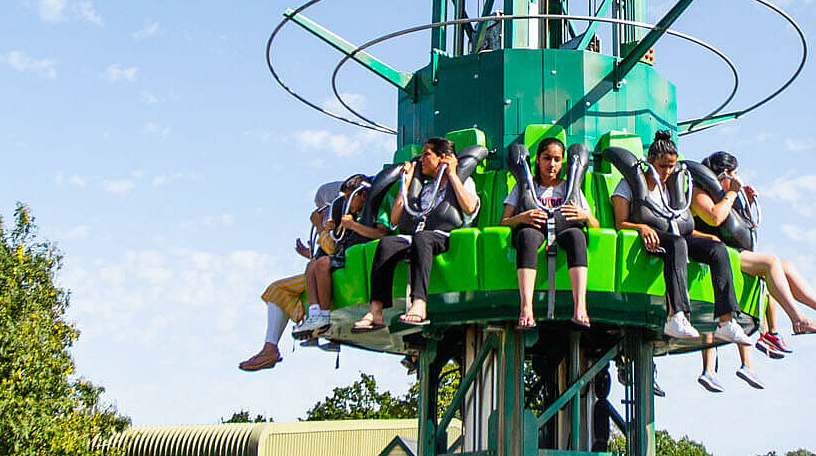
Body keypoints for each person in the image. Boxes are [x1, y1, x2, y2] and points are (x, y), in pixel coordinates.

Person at [691, 151, 816, 356]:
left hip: (732, 251)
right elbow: (714, 218)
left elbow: (740, 225)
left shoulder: (724, 195)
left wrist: (744, 199)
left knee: (786, 265)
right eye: (736, 174)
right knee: (770, 262)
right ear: (726, 175)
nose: (739, 178)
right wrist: (732, 194)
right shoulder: (699, 192)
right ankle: (798, 320)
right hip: (713, 254)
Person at [610, 131, 756, 355]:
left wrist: (707, 237)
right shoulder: (628, 185)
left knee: (717, 249)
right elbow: (620, 223)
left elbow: (681, 223)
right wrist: (642, 227)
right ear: (650, 161)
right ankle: (675, 315)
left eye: (671, 167)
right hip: (649, 238)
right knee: (677, 244)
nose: (666, 172)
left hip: (675, 236)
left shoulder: (672, 187)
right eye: (661, 166)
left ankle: (727, 321)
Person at [240, 175, 384, 371]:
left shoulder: (352, 216)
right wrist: (309, 251)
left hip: (341, 266)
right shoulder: (343, 216)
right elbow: (329, 249)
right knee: (311, 268)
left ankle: (272, 346)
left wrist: (320, 227)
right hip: (328, 265)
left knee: (276, 290)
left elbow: (332, 248)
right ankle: (309, 323)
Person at [355, 137, 481, 330]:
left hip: (444, 236)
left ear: (443, 158)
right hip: (418, 235)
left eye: (426, 155)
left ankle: (419, 303)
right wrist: (404, 186)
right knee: (387, 244)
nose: (421, 160)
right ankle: (376, 310)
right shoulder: (426, 188)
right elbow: (396, 219)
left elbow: (470, 207)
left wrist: (453, 174)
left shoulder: (464, 182)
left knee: (423, 238)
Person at [499, 136, 597, 328]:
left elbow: (595, 225)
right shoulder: (525, 186)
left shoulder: (569, 188)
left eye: (557, 159)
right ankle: (526, 307)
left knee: (577, 237)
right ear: (537, 159)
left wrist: (584, 215)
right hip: (535, 229)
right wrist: (521, 218)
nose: (551, 164)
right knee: (526, 237)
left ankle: (580, 307)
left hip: (564, 229)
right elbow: (504, 222)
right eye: (547, 158)